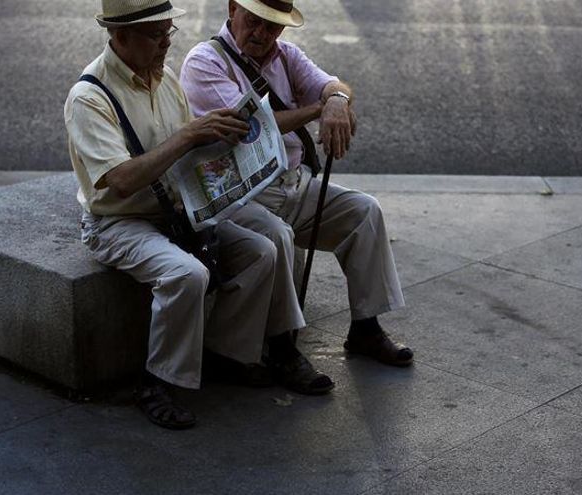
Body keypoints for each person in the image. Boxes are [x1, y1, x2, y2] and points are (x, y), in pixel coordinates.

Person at [65, 0, 313, 430]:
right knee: (186, 275)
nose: (165, 44)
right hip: (119, 221)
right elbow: (121, 180)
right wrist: (187, 138)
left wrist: (227, 148)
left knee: (267, 243)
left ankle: (230, 353)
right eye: (155, 35)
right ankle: (156, 383)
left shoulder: (165, 79)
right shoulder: (89, 96)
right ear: (119, 36)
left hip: (177, 207)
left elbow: (189, 157)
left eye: (168, 33)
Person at [179, 0, 414, 380]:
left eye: (272, 27)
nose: (261, 34)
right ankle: (282, 346)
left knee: (364, 211)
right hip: (239, 193)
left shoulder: (286, 56)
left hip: (293, 184)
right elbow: (253, 126)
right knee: (279, 236)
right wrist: (319, 110)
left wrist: (337, 99)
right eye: (254, 22)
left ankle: (366, 328)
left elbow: (332, 85)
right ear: (232, 9)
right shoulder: (204, 61)